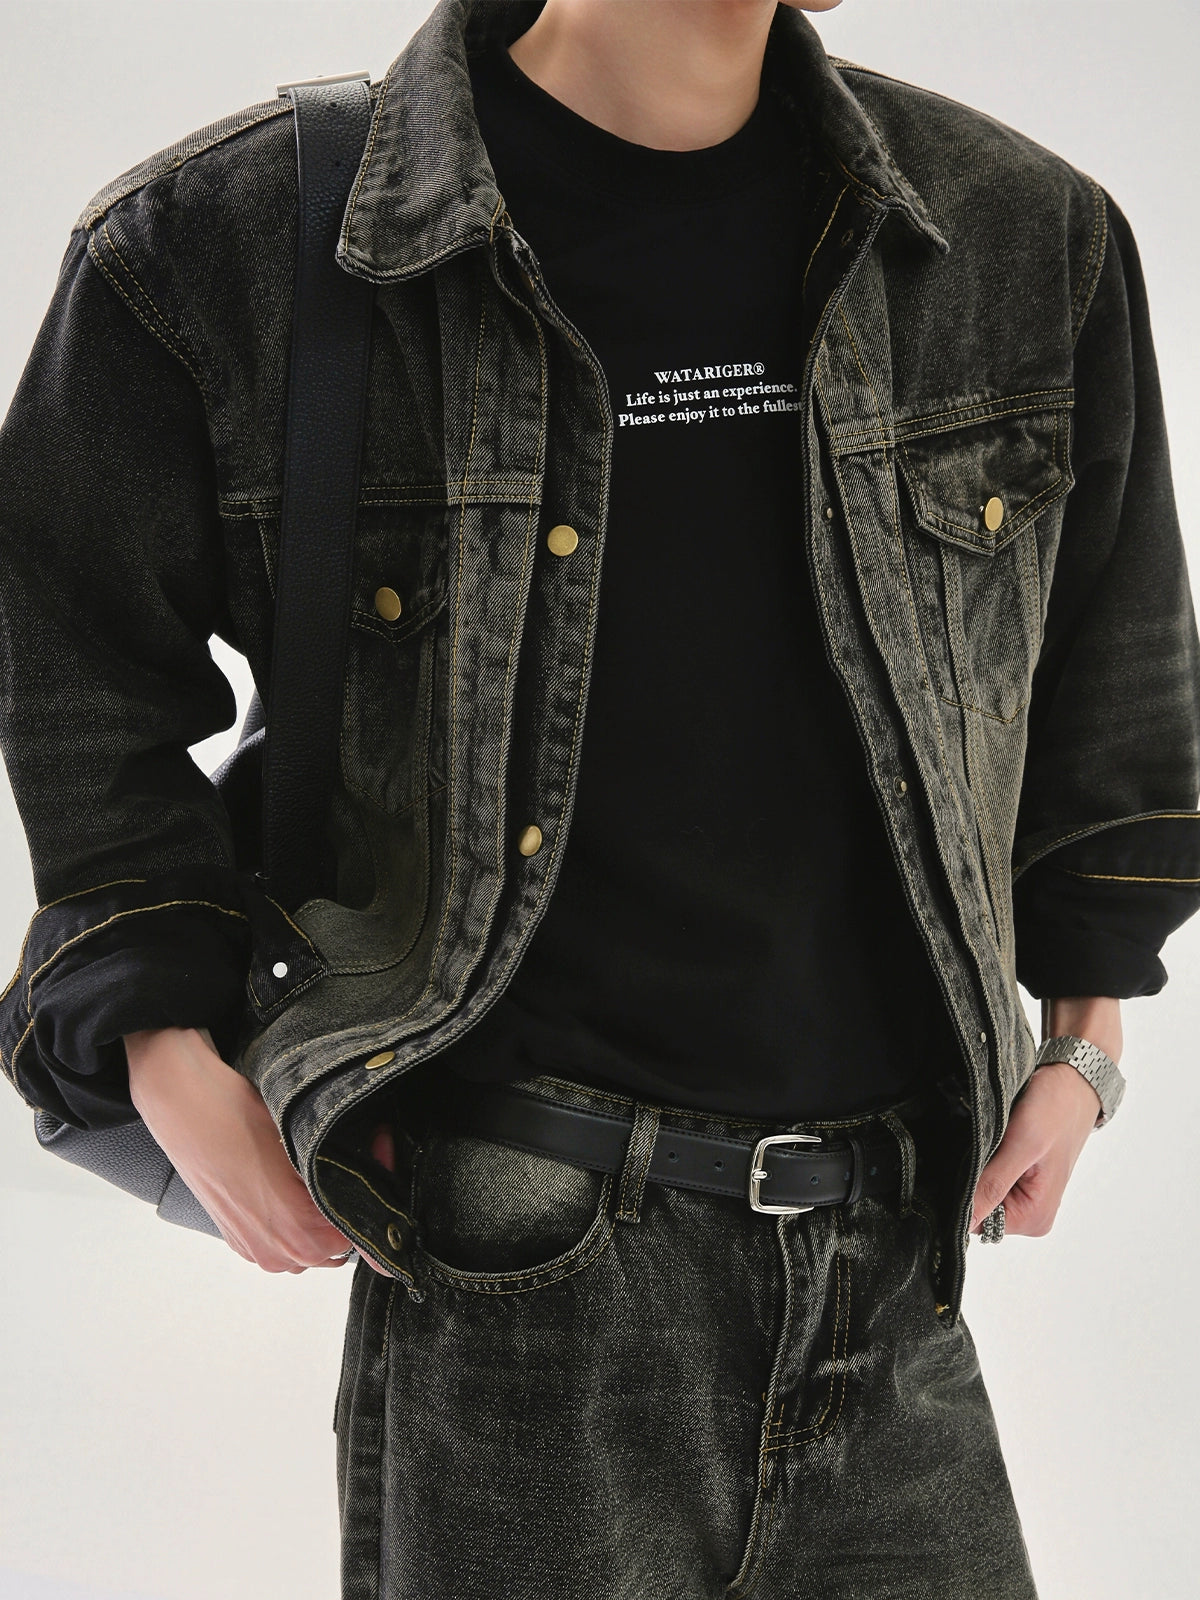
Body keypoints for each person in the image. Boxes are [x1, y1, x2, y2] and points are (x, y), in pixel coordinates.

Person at [2, 0, 1198, 1594]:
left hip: (898, 1264)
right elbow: (73, 652)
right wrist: (156, 1037)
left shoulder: (1017, 235)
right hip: (519, 1267)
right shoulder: (225, 246)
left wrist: (1087, 1033)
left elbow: (1119, 661)